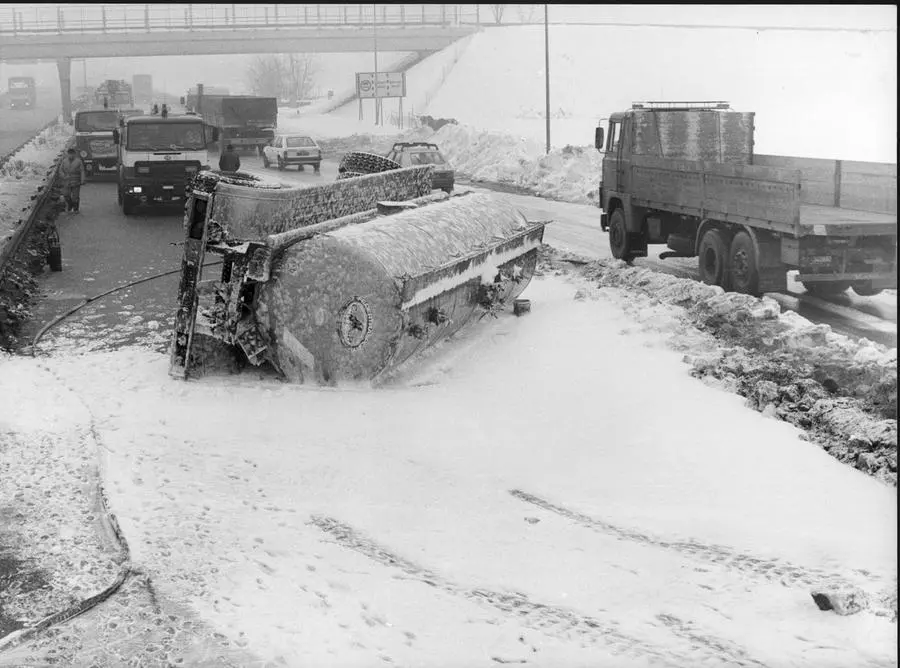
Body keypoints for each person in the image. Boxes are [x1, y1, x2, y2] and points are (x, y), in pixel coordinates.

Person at [59, 148, 86, 213]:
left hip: (76, 182)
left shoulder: (78, 161)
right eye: (69, 154)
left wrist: (82, 180)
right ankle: (70, 205)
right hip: (66, 182)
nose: (71, 155)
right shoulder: (64, 161)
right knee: (66, 195)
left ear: (74, 154)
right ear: (67, 154)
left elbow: (82, 171)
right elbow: (60, 170)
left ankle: (76, 209)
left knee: (75, 196)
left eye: (72, 154)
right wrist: (64, 176)